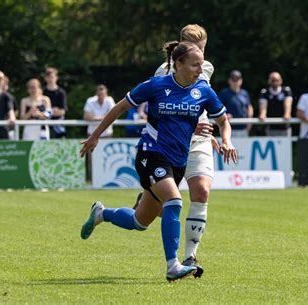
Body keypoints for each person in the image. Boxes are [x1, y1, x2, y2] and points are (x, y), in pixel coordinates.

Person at [80, 41, 237, 282]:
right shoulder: (156, 85)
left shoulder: (203, 90)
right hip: (150, 154)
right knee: (174, 201)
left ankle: (101, 214)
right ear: (178, 64)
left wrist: (226, 140)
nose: (200, 70)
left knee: (139, 222)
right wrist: (95, 135)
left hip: (177, 162)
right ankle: (174, 264)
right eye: (195, 65)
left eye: (201, 65)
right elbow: (120, 108)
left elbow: (223, 120)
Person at [132, 24, 222, 276]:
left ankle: (189, 257)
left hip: (200, 138)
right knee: (151, 215)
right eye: (196, 50)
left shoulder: (207, 67)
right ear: (182, 49)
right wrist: (189, 128)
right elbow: (163, 111)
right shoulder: (163, 72)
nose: (201, 59)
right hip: (172, 142)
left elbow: (202, 101)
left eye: (204, 50)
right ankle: (146, 200)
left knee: (201, 190)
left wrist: (210, 131)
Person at [218, 70, 253, 137]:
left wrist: (249, 124)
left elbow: (249, 108)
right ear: (229, 81)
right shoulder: (223, 93)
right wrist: (225, 115)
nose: (235, 81)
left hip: (243, 129)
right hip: (228, 129)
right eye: (233, 79)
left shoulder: (244, 93)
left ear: (241, 80)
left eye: (237, 79)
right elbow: (217, 108)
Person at [258, 72, 293, 136]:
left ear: (281, 81)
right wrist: (263, 114)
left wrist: (287, 114)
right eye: (273, 80)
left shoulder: (286, 91)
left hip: (284, 126)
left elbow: (288, 103)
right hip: (270, 127)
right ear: (269, 81)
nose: (275, 82)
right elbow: (263, 106)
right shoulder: (265, 92)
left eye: (277, 80)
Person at [43, 67, 68, 138]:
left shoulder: (61, 92)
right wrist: (53, 111)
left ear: (56, 78)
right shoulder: (42, 92)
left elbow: (62, 112)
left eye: (52, 77)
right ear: (45, 78)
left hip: (59, 125)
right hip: (45, 125)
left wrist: (48, 112)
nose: (50, 79)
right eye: (48, 77)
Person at [0, 71, 16, 139]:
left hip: (3, 131)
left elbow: (10, 110)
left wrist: (12, 118)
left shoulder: (7, 96)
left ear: (3, 82)